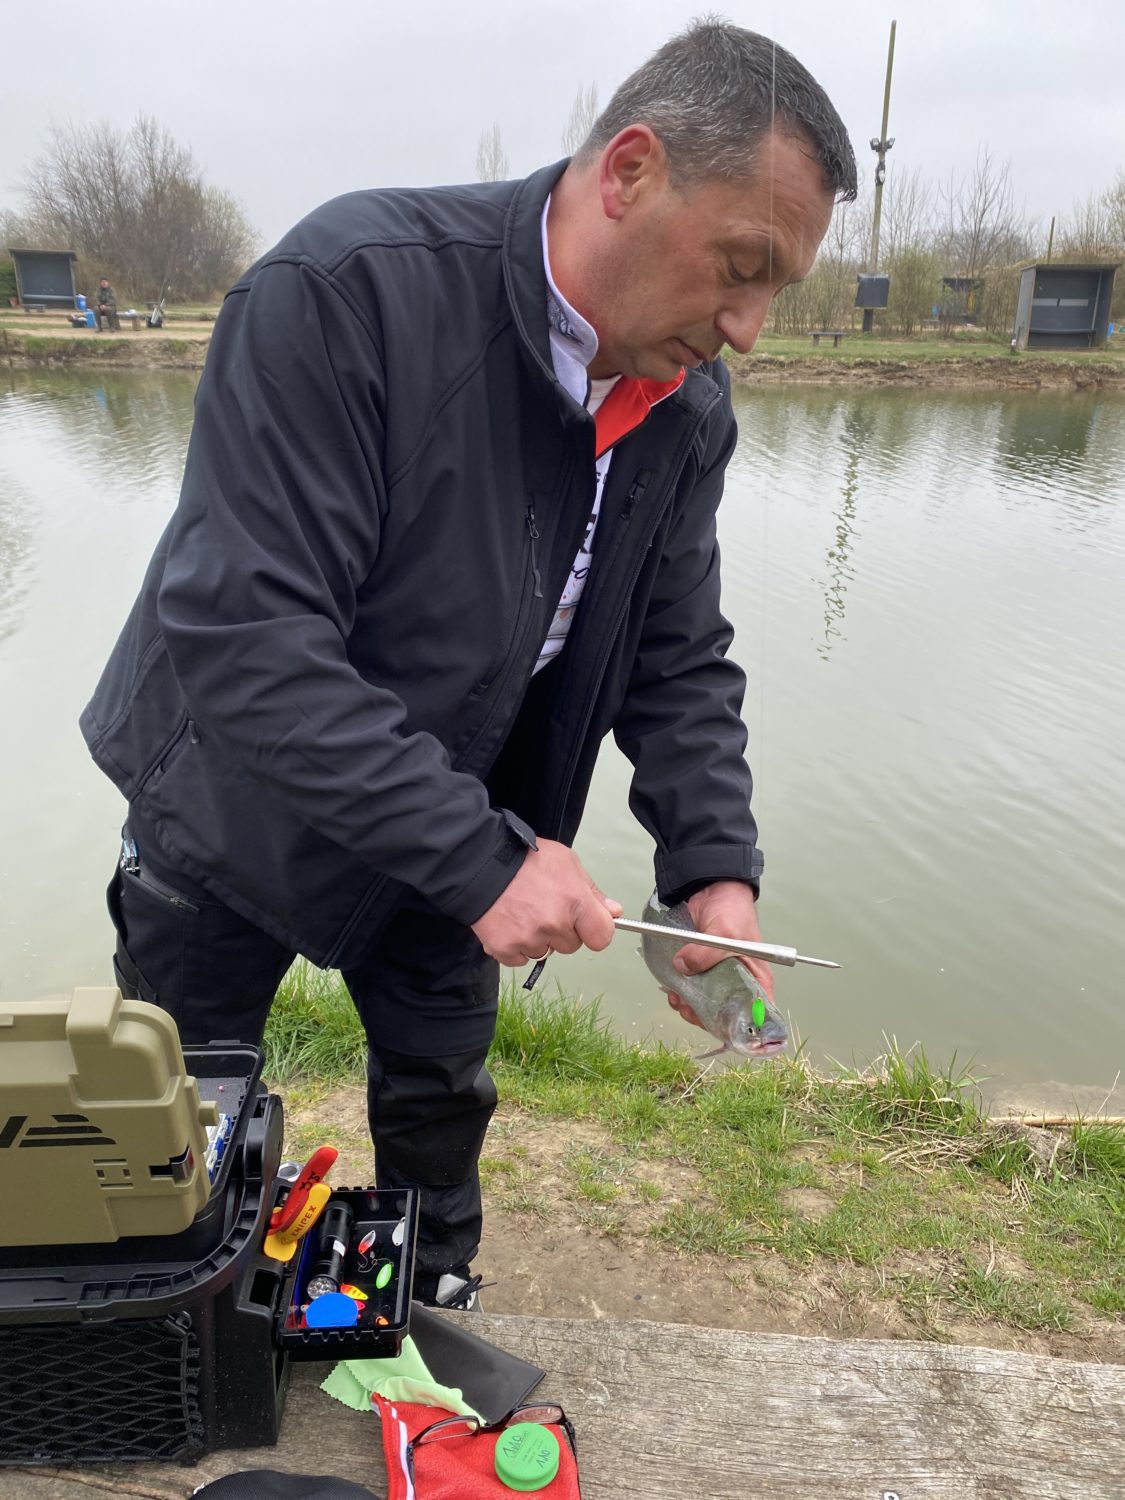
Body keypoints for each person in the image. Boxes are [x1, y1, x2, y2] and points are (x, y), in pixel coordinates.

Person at [80, 20, 855, 1309]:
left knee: (442, 1084)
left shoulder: (686, 413)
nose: (751, 327)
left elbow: (679, 655)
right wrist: (484, 860)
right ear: (631, 172)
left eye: (780, 289)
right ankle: (167, 1324)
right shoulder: (347, 292)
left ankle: (431, 1296)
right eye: (742, 266)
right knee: (182, 1112)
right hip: (234, 800)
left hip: (456, 804)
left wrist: (714, 870)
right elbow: (248, 636)